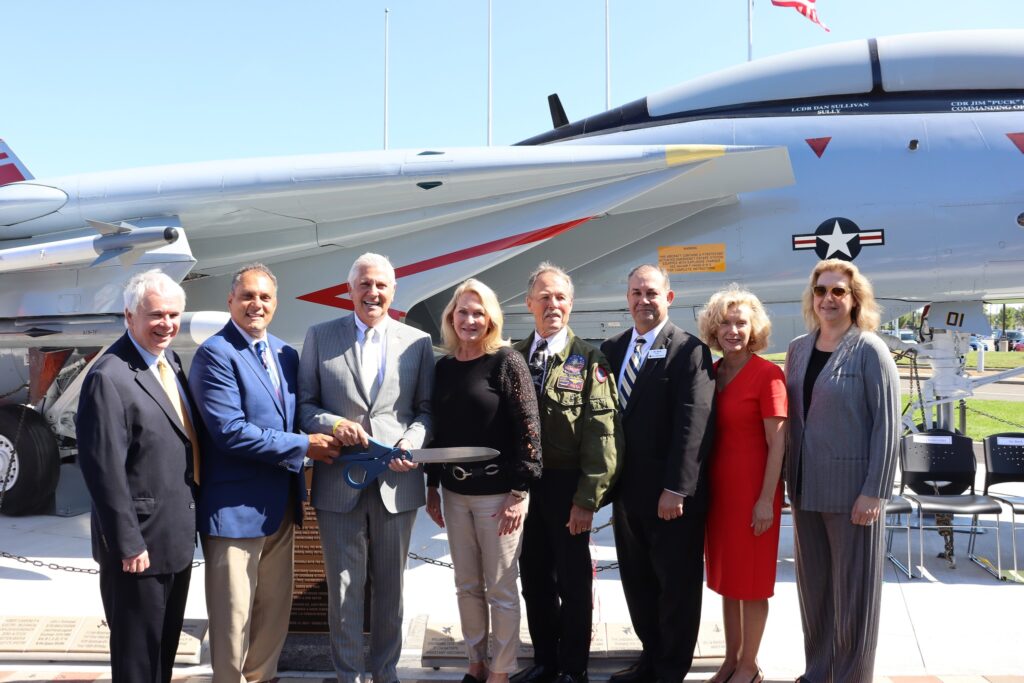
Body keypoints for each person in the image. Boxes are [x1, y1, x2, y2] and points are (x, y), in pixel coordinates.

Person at [189, 264, 341, 683]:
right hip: (234, 512)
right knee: (233, 616)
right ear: (231, 301)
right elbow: (230, 432)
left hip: (281, 505)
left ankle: (262, 677)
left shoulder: (284, 354)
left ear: (275, 303)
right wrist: (305, 446)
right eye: (248, 297)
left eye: (265, 298)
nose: (257, 304)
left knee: (274, 610)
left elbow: (300, 416)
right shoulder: (215, 354)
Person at [298, 252, 434, 683]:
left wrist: (410, 442)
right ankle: (348, 675)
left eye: (380, 286)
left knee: (391, 587)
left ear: (393, 292)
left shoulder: (417, 342)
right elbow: (304, 406)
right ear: (350, 290)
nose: (372, 293)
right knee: (342, 589)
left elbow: (426, 410)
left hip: (397, 480)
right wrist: (334, 423)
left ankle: (385, 672)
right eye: (364, 284)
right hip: (341, 480)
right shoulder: (320, 336)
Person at [76, 269, 199, 683]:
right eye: (155, 315)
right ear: (129, 316)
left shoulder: (170, 362)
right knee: (136, 664)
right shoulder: (108, 377)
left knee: (160, 658)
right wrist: (128, 543)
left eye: (173, 314)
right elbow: (103, 470)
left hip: (174, 541)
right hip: (138, 550)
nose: (166, 324)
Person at [784, 258, 900, 683]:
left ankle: (852, 676)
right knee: (814, 593)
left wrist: (876, 490)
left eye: (838, 291)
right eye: (821, 290)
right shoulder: (797, 348)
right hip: (805, 490)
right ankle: (818, 672)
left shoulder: (869, 349)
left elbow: (888, 424)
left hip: (854, 495)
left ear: (855, 300)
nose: (828, 298)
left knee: (853, 597)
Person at [600, 264, 715, 683]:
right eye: (635, 293)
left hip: (671, 497)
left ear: (668, 297)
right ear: (627, 297)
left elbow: (694, 425)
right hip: (627, 494)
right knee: (639, 583)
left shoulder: (689, 351)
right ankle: (650, 658)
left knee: (676, 587)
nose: (642, 301)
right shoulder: (612, 349)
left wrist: (677, 489)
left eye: (651, 293)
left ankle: (670, 670)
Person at [423, 278, 542, 683]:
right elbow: (437, 432)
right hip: (455, 495)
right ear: (450, 317)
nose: (470, 320)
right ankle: (475, 661)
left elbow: (529, 426)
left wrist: (519, 491)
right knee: (466, 585)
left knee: (501, 589)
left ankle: (501, 671)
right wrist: (432, 485)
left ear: (491, 318)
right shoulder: (443, 368)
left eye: (478, 313)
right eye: (463, 312)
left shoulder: (506, 362)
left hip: (499, 496)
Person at [510, 263, 622, 683]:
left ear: (570, 304)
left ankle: (573, 669)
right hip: (525, 488)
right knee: (533, 579)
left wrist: (587, 498)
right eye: (544, 296)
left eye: (560, 297)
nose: (552, 304)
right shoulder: (514, 357)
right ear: (529, 304)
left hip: (566, 486)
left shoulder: (590, 360)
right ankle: (545, 662)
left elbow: (602, 431)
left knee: (573, 585)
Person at [697, 287, 786, 683]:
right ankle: (730, 661)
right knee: (727, 582)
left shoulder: (768, 375)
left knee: (752, 583)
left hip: (754, 492)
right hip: (719, 495)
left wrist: (766, 499)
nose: (733, 330)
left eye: (741, 323)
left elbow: (778, 442)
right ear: (714, 329)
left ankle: (750, 666)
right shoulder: (712, 374)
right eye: (725, 323)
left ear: (754, 329)